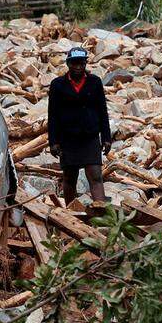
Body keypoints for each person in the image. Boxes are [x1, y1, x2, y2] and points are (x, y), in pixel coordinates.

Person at [47, 47, 112, 205]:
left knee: (96, 176)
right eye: (74, 63)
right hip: (67, 138)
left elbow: (102, 111)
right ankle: (71, 214)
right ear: (68, 64)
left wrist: (106, 137)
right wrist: (53, 142)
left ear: (85, 64)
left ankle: (103, 213)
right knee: (69, 178)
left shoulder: (94, 82)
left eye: (81, 63)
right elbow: (52, 115)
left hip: (89, 137)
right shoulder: (57, 85)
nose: (78, 67)